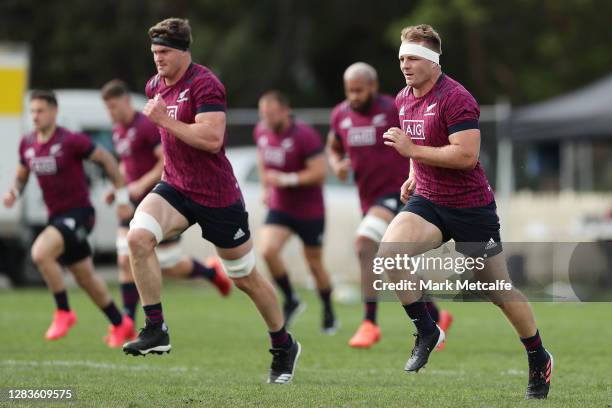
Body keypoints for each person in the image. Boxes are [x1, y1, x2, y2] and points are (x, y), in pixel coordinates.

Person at [121, 18, 300, 384]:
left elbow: (212, 139)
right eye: (154, 52)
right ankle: (156, 328)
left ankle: (284, 345)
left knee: (245, 278)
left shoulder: (205, 84)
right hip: (175, 187)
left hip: (217, 196)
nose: (158, 59)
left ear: (184, 52)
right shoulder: (155, 84)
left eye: (165, 52)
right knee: (137, 238)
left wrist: (165, 121)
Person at [380, 24, 553, 399]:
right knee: (389, 255)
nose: (405, 65)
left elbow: (465, 155)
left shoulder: (456, 98)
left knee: (497, 290)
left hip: (471, 207)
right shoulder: (403, 98)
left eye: (412, 58)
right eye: (401, 59)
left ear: (432, 61)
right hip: (429, 201)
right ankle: (427, 329)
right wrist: (413, 173)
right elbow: (421, 145)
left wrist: (412, 154)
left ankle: (538, 355)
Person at [327, 62, 453, 348]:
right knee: (397, 261)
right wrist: (337, 164)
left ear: (373, 86)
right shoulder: (340, 115)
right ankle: (436, 315)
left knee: (364, 243)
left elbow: (422, 135)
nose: (354, 96)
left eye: (359, 90)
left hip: (400, 194)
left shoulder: (392, 109)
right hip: (368, 198)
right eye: (349, 91)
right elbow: (333, 146)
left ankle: (369, 323)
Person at [2, 90, 135, 348]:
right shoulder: (28, 143)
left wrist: (121, 198)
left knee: (41, 253)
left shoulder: (71, 140)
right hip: (57, 218)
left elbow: (106, 159)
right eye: (32, 112)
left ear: (53, 112)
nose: (35, 116)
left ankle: (63, 311)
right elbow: (22, 174)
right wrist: (13, 192)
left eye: (40, 111)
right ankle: (121, 323)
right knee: (85, 278)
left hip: (80, 215)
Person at [101, 79, 231, 323]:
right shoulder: (118, 129)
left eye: (114, 107)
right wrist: (116, 188)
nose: (111, 113)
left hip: (160, 199)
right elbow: (124, 163)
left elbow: (163, 160)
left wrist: (141, 184)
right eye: (107, 108)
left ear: (127, 101)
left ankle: (211, 272)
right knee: (125, 258)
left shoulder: (146, 125)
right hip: (131, 203)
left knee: (169, 265)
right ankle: (126, 322)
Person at [254, 90, 337, 333]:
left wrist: (287, 179)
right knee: (268, 251)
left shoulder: (304, 135)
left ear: (285, 111)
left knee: (314, 263)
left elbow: (320, 172)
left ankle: (328, 309)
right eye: (263, 115)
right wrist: (266, 188)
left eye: (271, 114)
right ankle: (291, 298)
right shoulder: (261, 131)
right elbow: (263, 161)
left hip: (309, 210)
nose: (267, 119)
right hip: (281, 206)